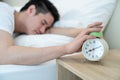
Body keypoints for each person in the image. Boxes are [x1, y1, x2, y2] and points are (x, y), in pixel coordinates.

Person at [0, 0, 102, 65]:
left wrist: (85, 32)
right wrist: (66, 49)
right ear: (31, 10)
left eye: (46, 27)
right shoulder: (4, 12)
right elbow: (3, 55)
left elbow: (50, 31)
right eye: (43, 22)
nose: (43, 30)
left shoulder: (15, 26)